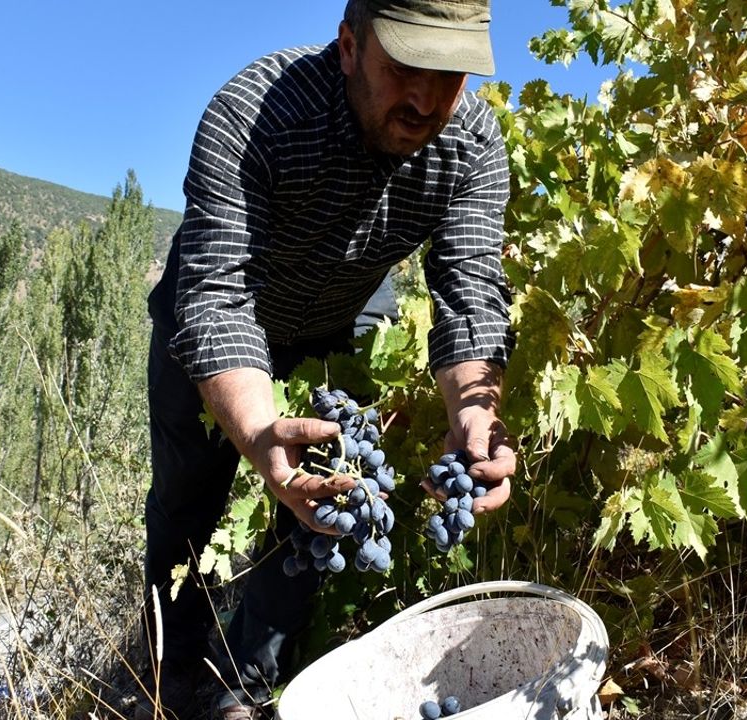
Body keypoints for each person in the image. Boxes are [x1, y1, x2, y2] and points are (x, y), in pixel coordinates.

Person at [137, 1, 516, 717]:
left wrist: (476, 413)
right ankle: (170, 674)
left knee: (329, 504)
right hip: (220, 319)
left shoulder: (471, 143)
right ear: (348, 46)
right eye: (408, 66)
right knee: (188, 500)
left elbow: (471, 293)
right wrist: (254, 430)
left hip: (337, 321)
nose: (428, 99)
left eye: (453, 75)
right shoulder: (255, 112)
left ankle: (240, 689)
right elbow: (216, 297)